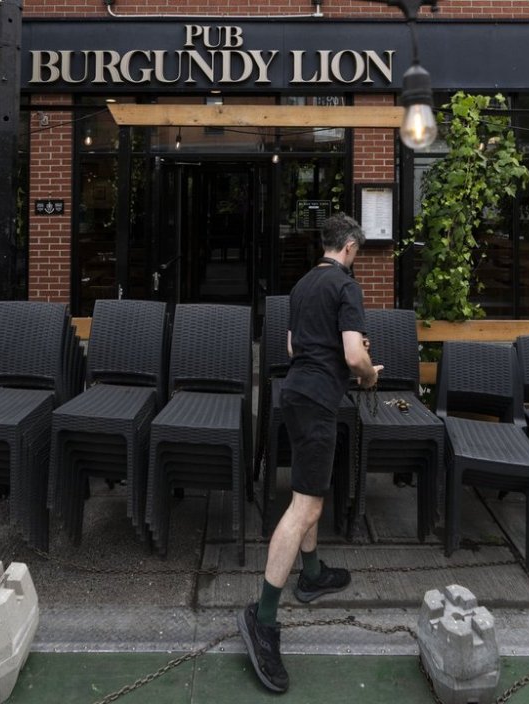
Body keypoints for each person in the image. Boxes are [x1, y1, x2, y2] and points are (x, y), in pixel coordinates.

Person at [238, 213, 382, 693]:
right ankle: (263, 617)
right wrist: (369, 374)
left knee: (310, 488)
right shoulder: (345, 286)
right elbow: (353, 355)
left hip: (295, 393)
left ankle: (314, 573)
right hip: (320, 398)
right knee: (304, 505)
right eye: (356, 253)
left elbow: (292, 342)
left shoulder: (301, 285)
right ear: (350, 248)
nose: (355, 259)